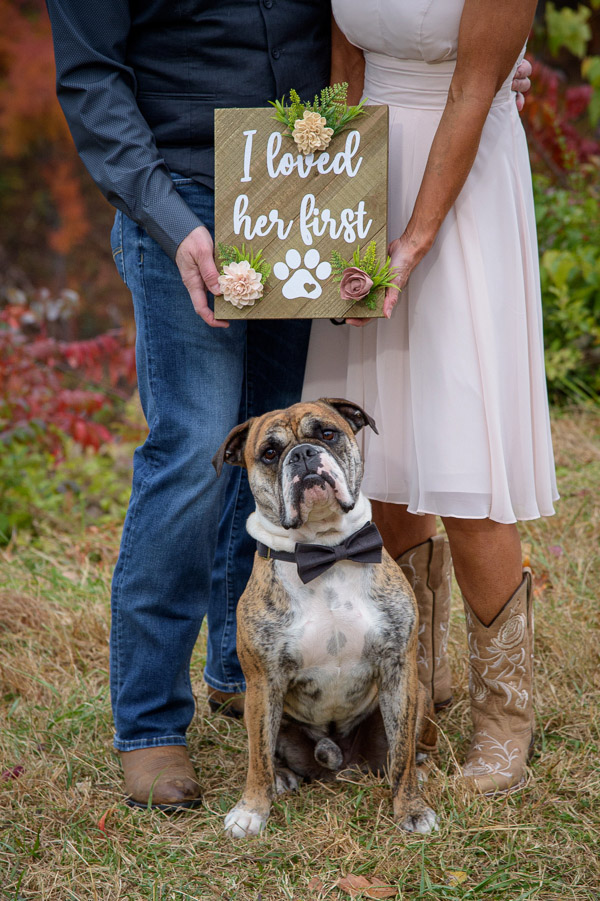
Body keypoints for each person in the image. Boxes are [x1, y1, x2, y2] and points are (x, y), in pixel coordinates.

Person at [45, 0, 533, 809]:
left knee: (280, 442)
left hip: (302, 192)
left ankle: (249, 676)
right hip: (183, 194)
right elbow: (91, 77)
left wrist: (477, 57)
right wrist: (169, 220)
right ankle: (151, 727)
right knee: (198, 449)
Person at [303, 0, 558, 794]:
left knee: (465, 459)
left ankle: (502, 722)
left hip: (461, 177)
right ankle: (413, 694)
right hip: (374, 169)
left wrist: (409, 244)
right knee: (382, 454)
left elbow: (472, 92)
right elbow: (345, 67)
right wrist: (335, 210)